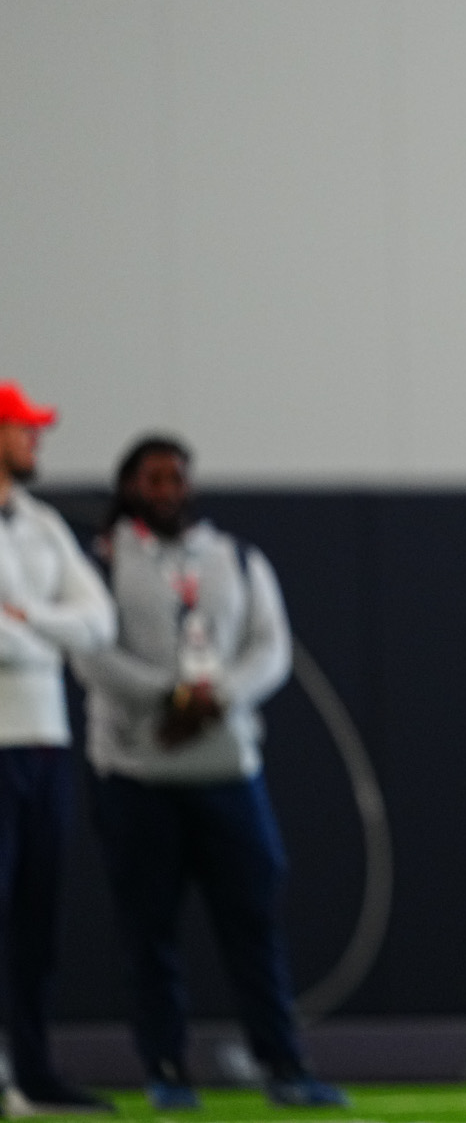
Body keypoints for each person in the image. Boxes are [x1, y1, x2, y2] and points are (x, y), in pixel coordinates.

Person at [71, 436, 347, 1110]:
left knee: (253, 920)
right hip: (137, 773)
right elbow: (91, 651)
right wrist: (167, 695)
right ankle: (166, 1067)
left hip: (227, 769)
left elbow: (270, 647)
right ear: (130, 485)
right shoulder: (103, 563)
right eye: (153, 477)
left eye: (176, 477)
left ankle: (282, 1062)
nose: (167, 489)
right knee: (149, 931)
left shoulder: (235, 557)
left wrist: (216, 697)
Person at [0, 381, 116, 1114]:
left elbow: (98, 621)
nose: (36, 440)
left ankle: (34, 1072)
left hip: (43, 742)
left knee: (35, 919)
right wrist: (45, 638)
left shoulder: (40, 525)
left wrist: (30, 620)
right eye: (24, 428)